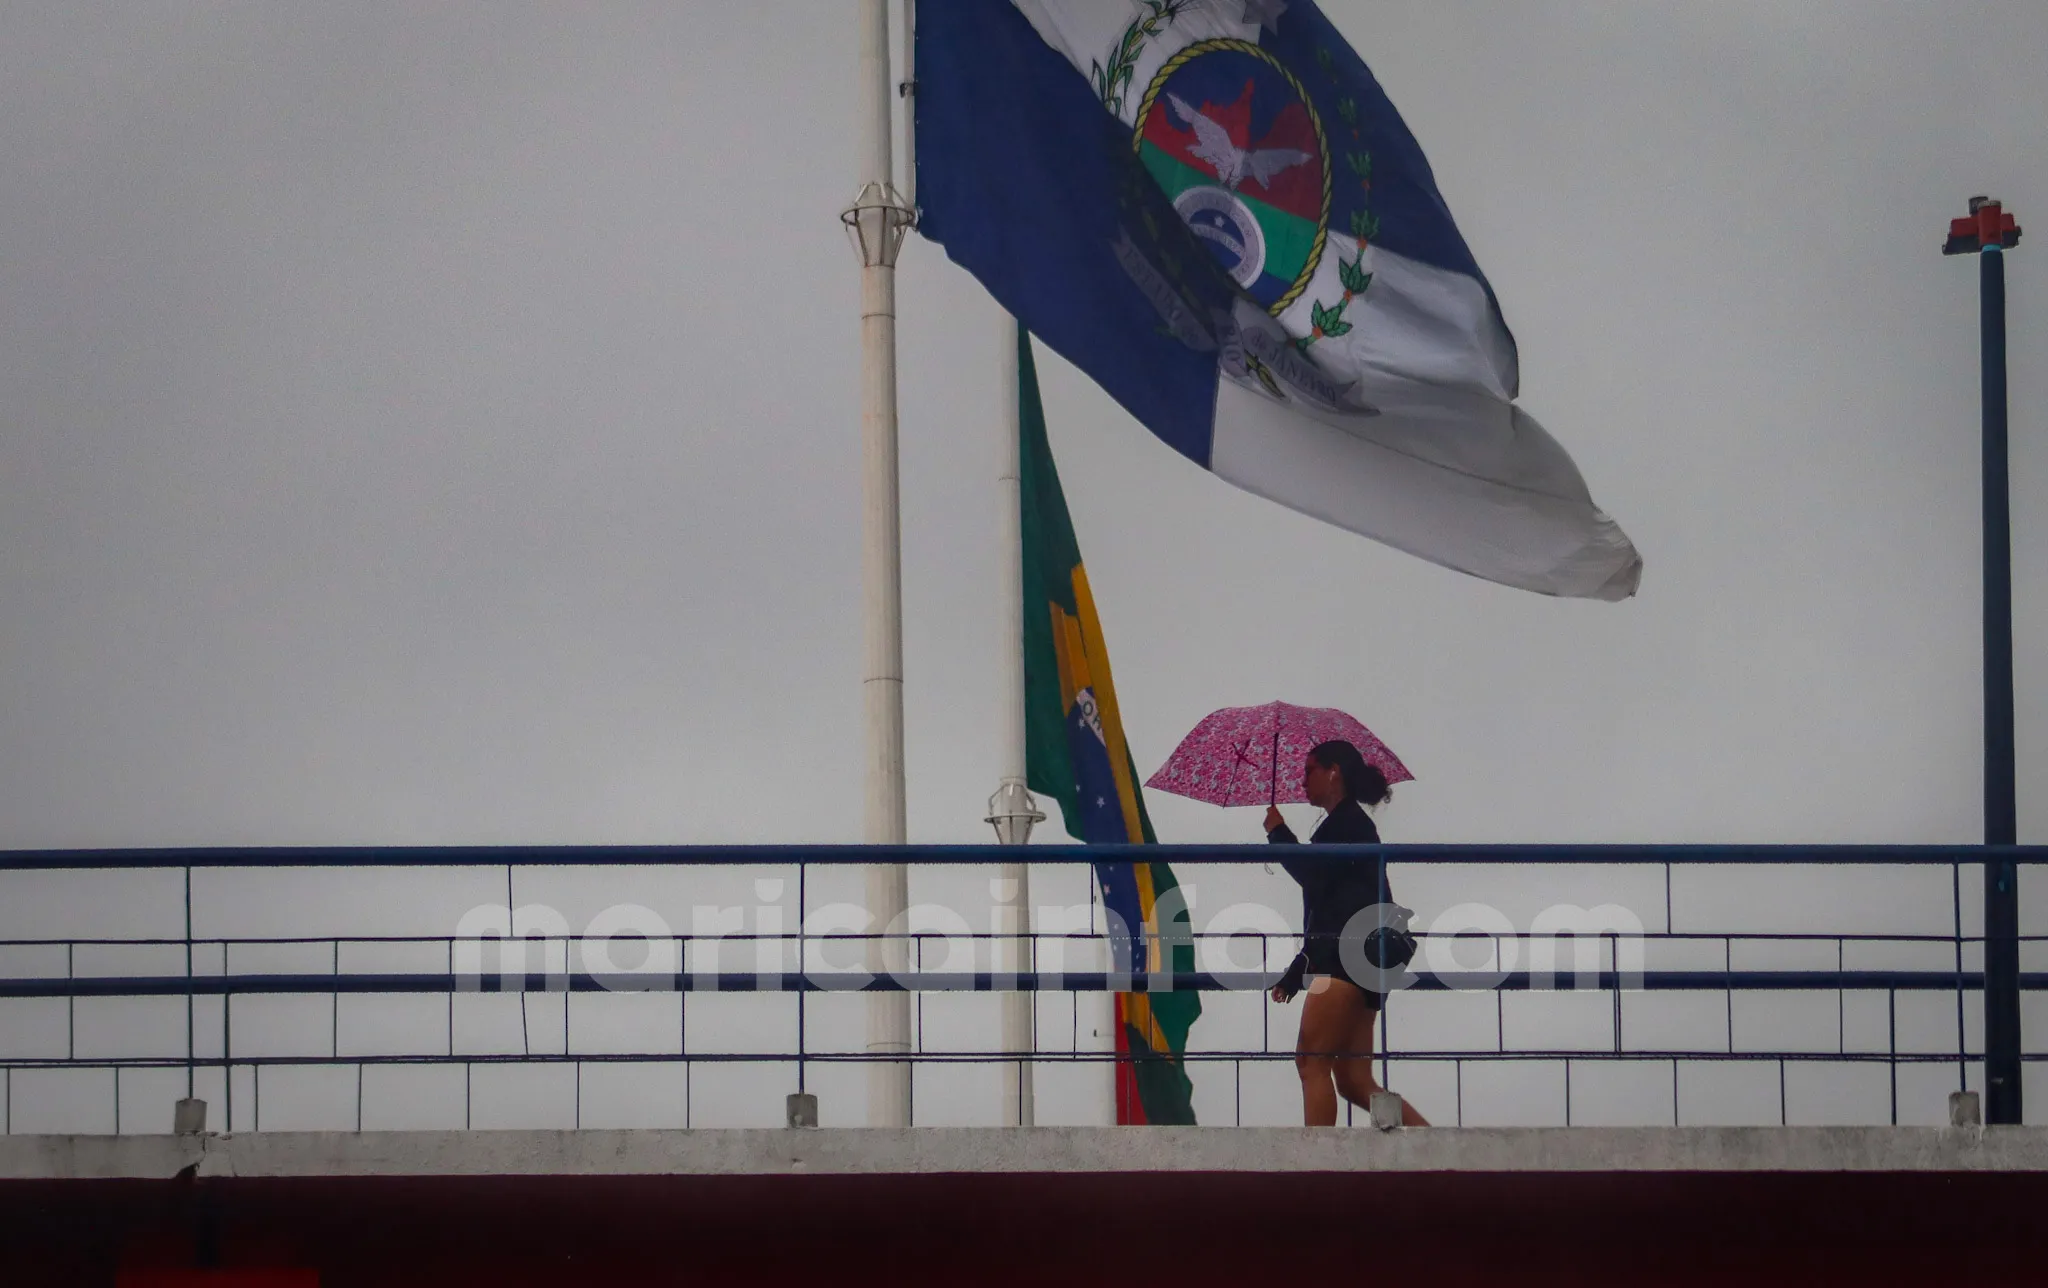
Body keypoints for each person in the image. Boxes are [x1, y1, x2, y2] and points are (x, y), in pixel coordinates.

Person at [1264, 739, 1430, 1127]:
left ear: (1333, 771)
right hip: (1367, 958)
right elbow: (1331, 907)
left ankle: (1317, 1166)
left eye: (1309, 771)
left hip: (1345, 960)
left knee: (1311, 1061)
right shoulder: (1351, 824)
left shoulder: (1346, 824)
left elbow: (1315, 882)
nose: (1302, 780)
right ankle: (1429, 1145)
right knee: (1355, 1081)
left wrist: (1278, 834)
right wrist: (1296, 970)